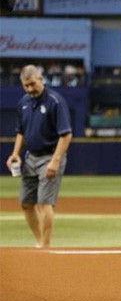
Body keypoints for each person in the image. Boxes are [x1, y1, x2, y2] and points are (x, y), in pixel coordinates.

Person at [5, 65, 73, 248]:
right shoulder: (24, 102)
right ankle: (39, 242)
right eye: (26, 86)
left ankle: (45, 247)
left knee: (44, 203)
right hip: (30, 157)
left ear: (41, 79)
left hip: (50, 157)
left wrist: (55, 161)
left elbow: (66, 134)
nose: (29, 89)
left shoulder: (55, 101)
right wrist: (15, 154)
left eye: (33, 84)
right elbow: (21, 132)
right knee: (26, 203)